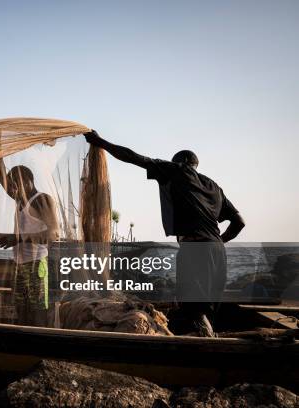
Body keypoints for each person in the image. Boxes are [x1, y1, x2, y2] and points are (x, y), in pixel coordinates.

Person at [84, 130, 245, 337]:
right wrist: (218, 241)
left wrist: (100, 142)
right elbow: (239, 222)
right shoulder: (215, 187)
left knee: (194, 308)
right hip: (217, 251)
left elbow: (134, 157)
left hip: (194, 249)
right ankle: (208, 344)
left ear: (183, 162)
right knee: (209, 308)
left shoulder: (177, 170)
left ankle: (205, 348)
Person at [0, 159, 60, 327]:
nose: (13, 189)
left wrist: (19, 238)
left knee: (38, 311)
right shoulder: (20, 199)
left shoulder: (41, 199)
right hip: (20, 265)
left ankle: (38, 346)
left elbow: (53, 234)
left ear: (28, 181)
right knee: (21, 310)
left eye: (16, 185)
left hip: (37, 266)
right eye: (12, 186)